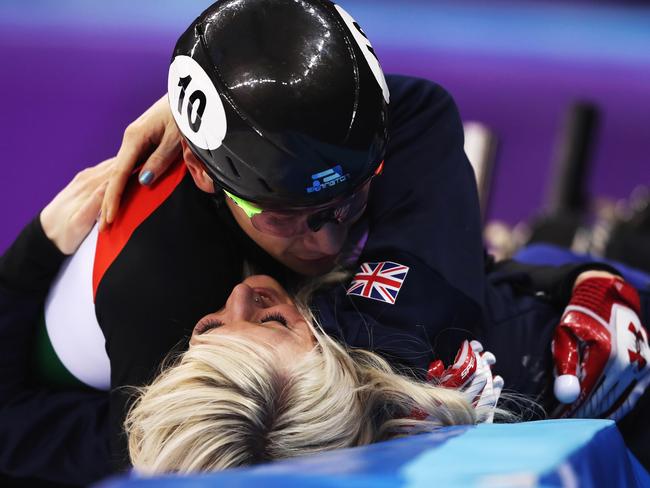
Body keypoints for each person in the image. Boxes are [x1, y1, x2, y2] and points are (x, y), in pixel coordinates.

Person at [2, 0, 649, 483]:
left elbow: (19, 429)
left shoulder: (184, 414)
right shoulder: (161, 297)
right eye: (290, 214)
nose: (328, 236)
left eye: (351, 199)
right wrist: (570, 293)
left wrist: (36, 248)